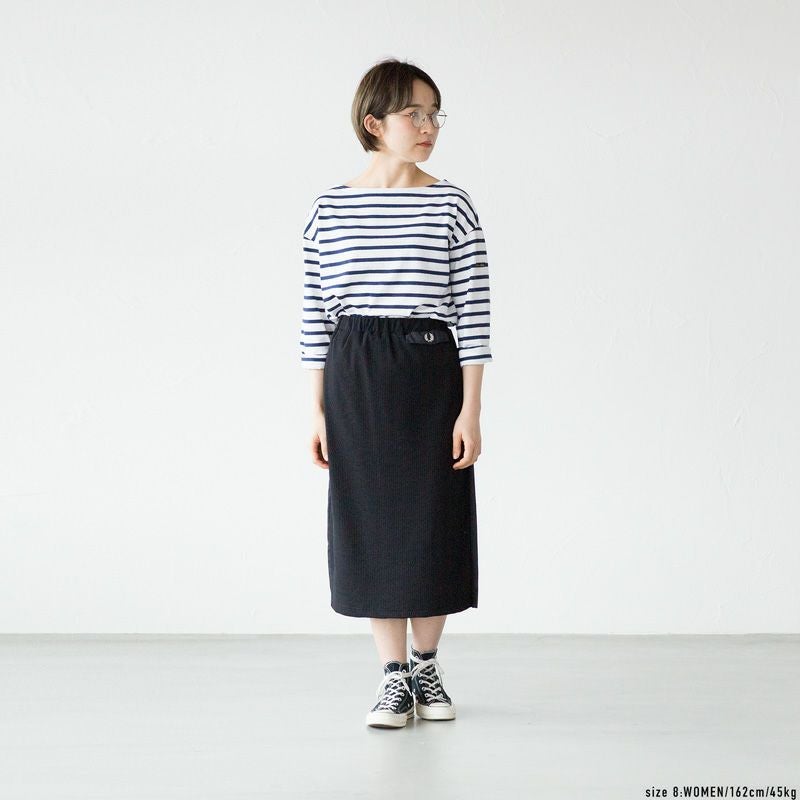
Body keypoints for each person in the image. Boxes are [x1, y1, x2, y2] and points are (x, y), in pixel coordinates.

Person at [300, 58, 493, 729]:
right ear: (374, 121)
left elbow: (474, 315)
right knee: (371, 519)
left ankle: (427, 666)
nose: (430, 125)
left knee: (434, 516)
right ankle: (392, 677)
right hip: (355, 372)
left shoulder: (452, 204)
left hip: (429, 367)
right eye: (416, 113)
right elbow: (314, 317)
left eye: (436, 114)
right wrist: (316, 410)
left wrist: (471, 409)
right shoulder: (330, 208)